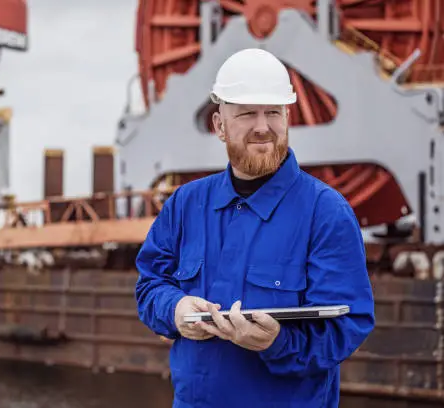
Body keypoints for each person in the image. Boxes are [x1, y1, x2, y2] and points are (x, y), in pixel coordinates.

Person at [134, 48, 375, 408]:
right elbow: (150, 284)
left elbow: (348, 324)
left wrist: (277, 343)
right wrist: (175, 309)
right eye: (247, 113)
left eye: (273, 112)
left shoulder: (325, 213)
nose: (262, 126)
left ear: (287, 118)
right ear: (219, 125)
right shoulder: (185, 205)